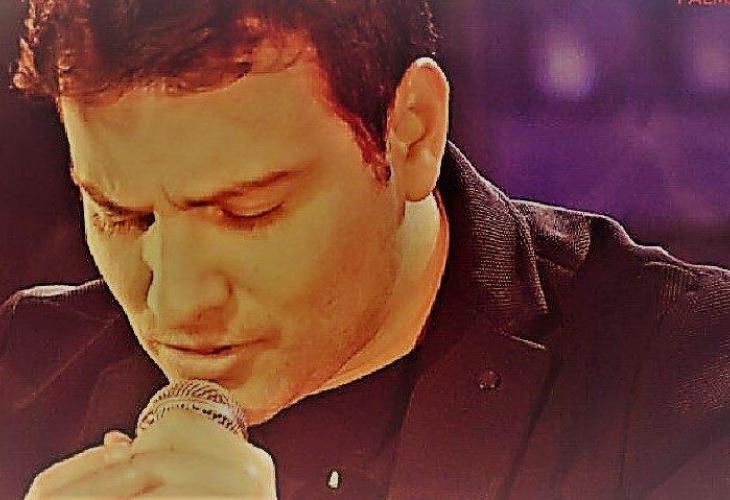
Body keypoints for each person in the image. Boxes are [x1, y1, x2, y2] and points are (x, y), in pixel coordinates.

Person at [1, 1, 729, 498]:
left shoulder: (689, 382)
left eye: (248, 212)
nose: (176, 303)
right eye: (121, 217)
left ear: (411, 132)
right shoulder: (21, 366)